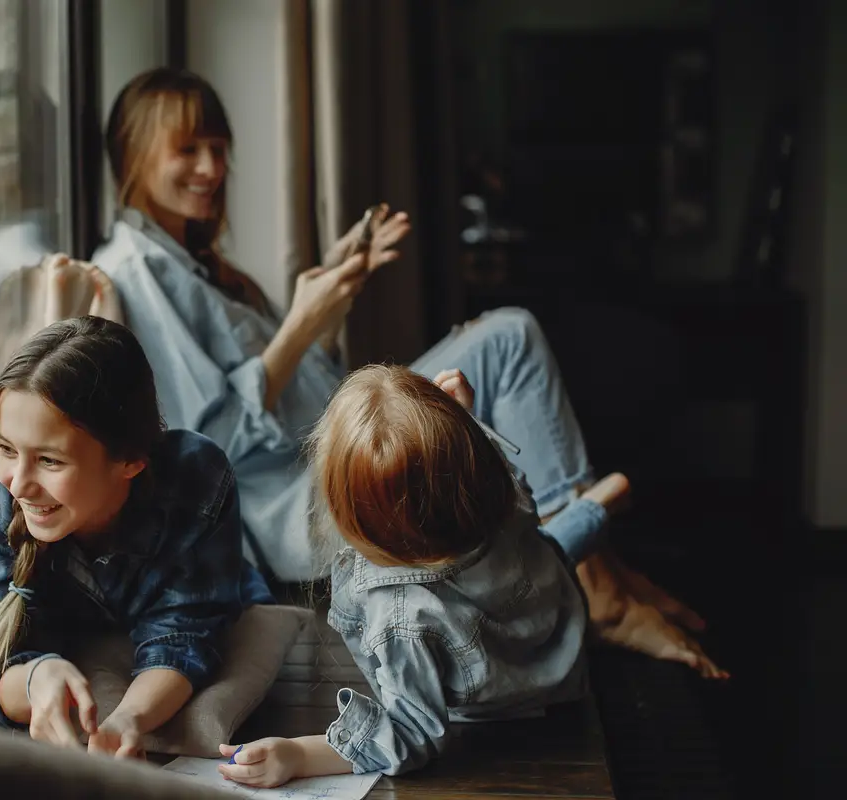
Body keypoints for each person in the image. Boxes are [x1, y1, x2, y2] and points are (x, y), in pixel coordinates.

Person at [72, 66, 719, 675]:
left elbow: (293, 388)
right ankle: (599, 582)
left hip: (335, 440)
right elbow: (212, 445)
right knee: (507, 338)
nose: (212, 168)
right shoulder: (134, 274)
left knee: (501, 339)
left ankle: (600, 568)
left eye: (219, 147)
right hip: (309, 497)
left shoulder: (196, 266)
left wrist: (332, 300)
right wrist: (300, 325)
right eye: (188, 149)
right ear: (134, 154)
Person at [215, 366, 727, 788]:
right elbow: (503, 483)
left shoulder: (402, 617)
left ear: (350, 510)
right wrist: (462, 423)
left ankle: (594, 512)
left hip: (516, 690)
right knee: (549, 545)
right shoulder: (486, 499)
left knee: (550, 550)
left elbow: (412, 732)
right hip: (544, 608)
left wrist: (299, 755)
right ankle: (595, 509)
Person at [0, 315, 273, 757]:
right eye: (5, 448)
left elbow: (185, 631)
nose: (17, 484)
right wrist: (36, 679)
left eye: (49, 460)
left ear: (130, 461)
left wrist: (127, 720)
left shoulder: (196, 478)